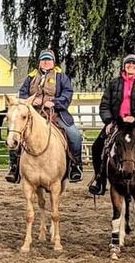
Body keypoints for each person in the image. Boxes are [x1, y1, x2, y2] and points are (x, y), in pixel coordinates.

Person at [86, 54, 135, 195]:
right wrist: (109, 121)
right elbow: (104, 104)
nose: (131, 65)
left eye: (134, 63)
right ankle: (99, 179)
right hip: (117, 122)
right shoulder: (114, 83)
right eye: (128, 63)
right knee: (97, 146)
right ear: (123, 66)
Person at [5, 49, 84, 184]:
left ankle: (75, 166)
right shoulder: (30, 77)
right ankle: (14, 167)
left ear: (53, 62)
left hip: (55, 113)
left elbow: (67, 93)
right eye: (43, 60)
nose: (46, 62)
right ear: (39, 62)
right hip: (32, 114)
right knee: (14, 133)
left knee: (74, 134)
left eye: (49, 60)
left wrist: (54, 102)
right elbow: (22, 94)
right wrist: (28, 101)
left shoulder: (61, 77)